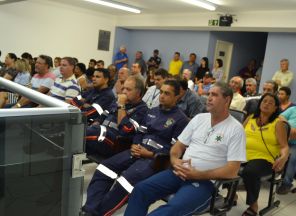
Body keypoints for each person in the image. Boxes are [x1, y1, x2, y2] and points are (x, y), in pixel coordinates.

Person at [124, 82, 246, 216]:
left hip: (205, 182)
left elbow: (233, 170)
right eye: (209, 94)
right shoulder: (199, 119)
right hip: (179, 173)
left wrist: (198, 174)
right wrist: (175, 160)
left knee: (171, 210)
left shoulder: (236, 129)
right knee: (141, 189)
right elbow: (178, 146)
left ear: (227, 100)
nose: (209, 98)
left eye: (215, 95)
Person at [81, 80, 189, 216]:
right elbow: (140, 132)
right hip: (137, 150)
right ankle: (89, 209)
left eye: (167, 93)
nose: (161, 96)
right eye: (161, 92)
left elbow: (174, 149)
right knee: (104, 168)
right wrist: (135, 144)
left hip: (154, 160)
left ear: (177, 96)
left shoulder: (181, 120)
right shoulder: (152, 112)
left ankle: (99, 213)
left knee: (125, 182)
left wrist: (150, 154)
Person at [240, 93, 289, 216]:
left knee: (250, 172)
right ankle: (231, 196)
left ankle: (253, 205)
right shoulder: (251, 117)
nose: (266, 104)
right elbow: (238, 135)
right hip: (243, 154)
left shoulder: (278, 124)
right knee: (222, 160)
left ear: (275, 108)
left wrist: (283, 157)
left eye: (270, 103)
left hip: (265, 159)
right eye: (264, 101)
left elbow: (284, 147)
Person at [85, 76, 148, 157]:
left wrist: (121, 105)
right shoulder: (116, 101)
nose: (124, 92)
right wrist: (95, 124)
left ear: (138, 93)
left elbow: (125, 131)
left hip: (116, 143)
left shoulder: (142, 109)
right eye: (124, 88)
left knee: (92, 132)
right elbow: (104, 114)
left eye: (128, 89)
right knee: (81, 134)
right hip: (100, 135)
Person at [277, 106, 296, 194]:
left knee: (292, 158)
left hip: (295, 144)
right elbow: (280, 117)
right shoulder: (293, 109)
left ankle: (287, 184)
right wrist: (288, 127)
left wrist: (289, 130)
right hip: (284, 139)